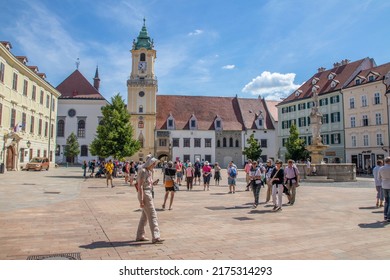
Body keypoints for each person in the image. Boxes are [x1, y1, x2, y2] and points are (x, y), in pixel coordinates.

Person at [136, 155, 163, 244]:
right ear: (150, 163)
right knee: (152, 215)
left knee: (144, 216)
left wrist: (153, 183)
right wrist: (142, 200)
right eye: (153, 164)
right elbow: (140, 186)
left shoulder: (148, 171)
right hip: (145, 194)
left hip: (148, 193)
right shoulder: (143, 171)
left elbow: (147, 184)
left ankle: (140, 235)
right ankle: (156, 236)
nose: (154, 165)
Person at [378, 157, 390, 222]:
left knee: (386, 201)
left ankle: (385, 215)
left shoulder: (381, 168)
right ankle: (389, 216)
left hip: (384, 185)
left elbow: (378, 178)